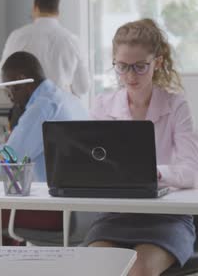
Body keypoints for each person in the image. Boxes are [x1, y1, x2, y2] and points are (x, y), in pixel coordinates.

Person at [83, 19, 198, 276]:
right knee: (97, 269)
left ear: (157, 62)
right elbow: (94, 167)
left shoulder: (176, 105)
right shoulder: (102, 105)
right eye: (122, 66)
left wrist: (153, 172)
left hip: (167, 219)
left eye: (140, 67)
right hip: (115, 218)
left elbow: (190, 171)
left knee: (137, 270)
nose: (130, 76)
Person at [0, 51, 88, 245]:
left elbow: (4, 163)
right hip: (80, 211)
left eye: (10, 90)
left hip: (55, 210)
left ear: (21, 80)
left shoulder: (42, 107)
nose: (11, 98)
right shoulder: (67, 99)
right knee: (5, 217)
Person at [0, 0, 89, 98]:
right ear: (57, 12)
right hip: (61, 109)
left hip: (28, 109)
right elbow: (83, 87)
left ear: (35, 8)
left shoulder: (18, 36)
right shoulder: (72, 40)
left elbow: (0, 80)